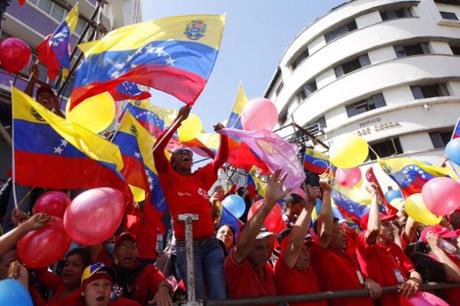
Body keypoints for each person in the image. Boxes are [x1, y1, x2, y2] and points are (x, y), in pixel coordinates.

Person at [153, 105, 229, 299]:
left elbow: (221, 159)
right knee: (198, 299)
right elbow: (156, 149)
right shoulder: (168, 177)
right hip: (188, 248)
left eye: (188, 152)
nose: (186, 154)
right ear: (173, 162)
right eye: (180, 153)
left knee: (219, 297)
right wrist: (178, 121)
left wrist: (222, 134)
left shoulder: (200, 177)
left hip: (211, 246)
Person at [310, 176, 377, 306]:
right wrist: (326, 191)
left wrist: (367, 280)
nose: (343, 234)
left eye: (343, 230)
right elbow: (325, 230)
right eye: (338, 232)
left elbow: (358, 278)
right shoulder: (320, 253)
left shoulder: (347, 256)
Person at [224, 169, 287, 304]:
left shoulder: (268, 269)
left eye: (268, 246)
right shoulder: (236, 267)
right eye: (258, 247)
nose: (264, 252)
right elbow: (243, 246)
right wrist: (269, 203)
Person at [356, 184, 422, 306]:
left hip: (408, 301)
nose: (391, 226)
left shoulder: (393, 246)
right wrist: (374, 195)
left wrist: (414, 280)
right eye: (385, 224)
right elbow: (374, 229)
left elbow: (412, 271)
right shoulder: (363, 244)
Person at [274, 184, 326, 306]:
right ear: (290, 205)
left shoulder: (310, 268)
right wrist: (310, 205)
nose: (306, 253)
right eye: (301, 206)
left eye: (306, 249)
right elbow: (294, 246)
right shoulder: (279, 225)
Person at [111, 232, 172, 306]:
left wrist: (163, 290)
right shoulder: (109, 271)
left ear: (137, 251)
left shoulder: (146, 269)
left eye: (132, 247)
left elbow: (162, 282)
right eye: (123, 247)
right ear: (115, 252)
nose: (128, 251)